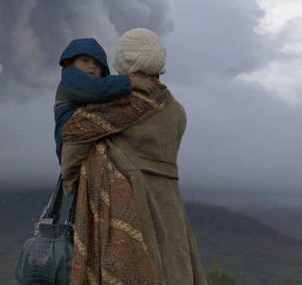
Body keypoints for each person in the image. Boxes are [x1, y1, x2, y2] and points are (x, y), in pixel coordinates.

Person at [61, 28, 207, 285]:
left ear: (124, 60)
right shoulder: (176, 110)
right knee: (172, 266)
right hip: (169, 203)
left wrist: (71, 182)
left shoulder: (116, 106)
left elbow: (74, 136)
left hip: (127, 204)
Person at [54, 38, 154, 193]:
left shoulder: (105, 90)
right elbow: (95, 90)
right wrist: (130, 81)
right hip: (72, 145)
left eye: (97, 63)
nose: (92, 66)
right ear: (70, 64)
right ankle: (70, 183)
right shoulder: (70, 78)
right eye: (85, 60)